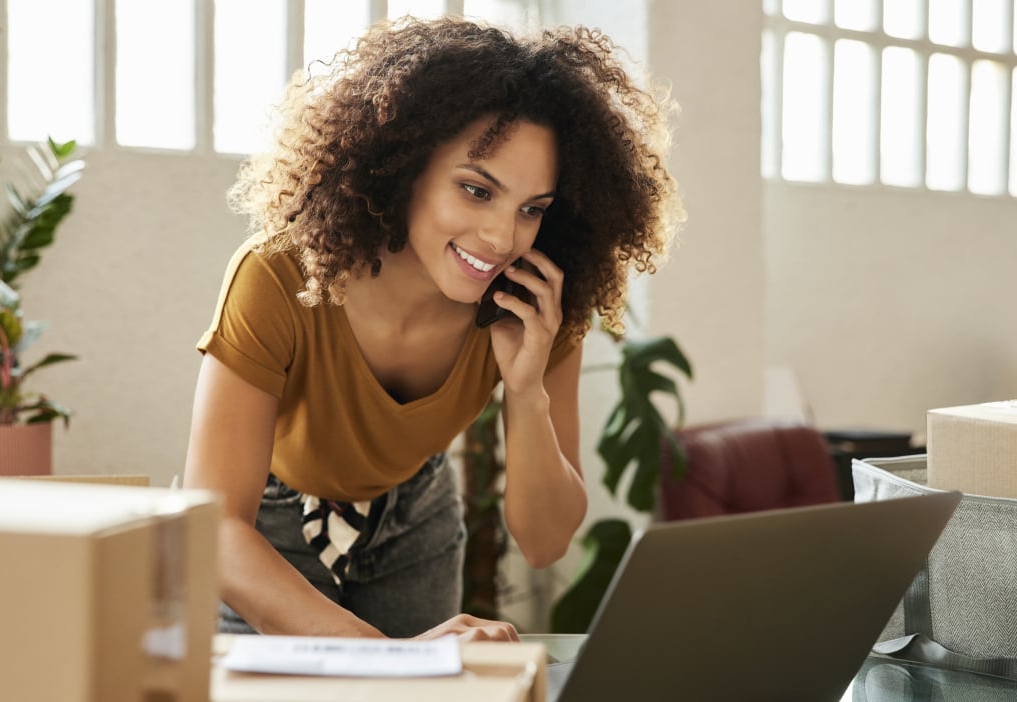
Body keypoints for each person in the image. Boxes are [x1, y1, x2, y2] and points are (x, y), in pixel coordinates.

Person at [184, 15, 682, 641]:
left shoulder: (537, 303)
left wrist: (527, 390)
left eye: (532, 209)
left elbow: (546, 542)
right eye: (476, 190)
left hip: (415, 515)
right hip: (266, 530)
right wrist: (390, 658)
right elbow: (218, 525)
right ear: (403, 165)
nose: (503, 236)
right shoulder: (280, 275)